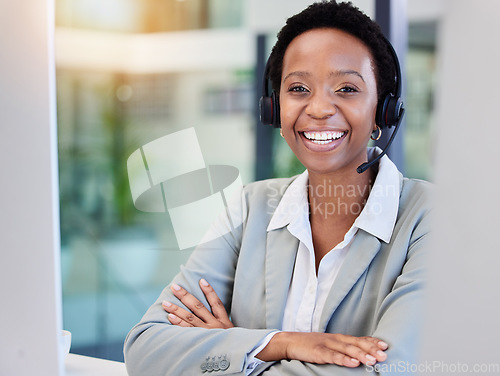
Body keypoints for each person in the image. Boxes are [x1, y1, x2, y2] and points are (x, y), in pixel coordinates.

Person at [124, 1, 432, 375]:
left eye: (347, 88)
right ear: (275, 109)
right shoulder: (251, 206)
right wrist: (281, 342)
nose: (319, 108)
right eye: (299, 88)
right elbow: (146, 348)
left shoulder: (428, 218)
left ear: (383, 111)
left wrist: (234, 351)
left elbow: (387, 371)